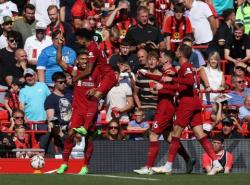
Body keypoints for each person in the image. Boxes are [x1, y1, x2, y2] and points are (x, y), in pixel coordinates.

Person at [151, 44, 223, 175]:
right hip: (195, 102)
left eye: (177, 50)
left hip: (187, 103)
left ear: (180, 53)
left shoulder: (186, 67)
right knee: (200, 134)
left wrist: (171, 78)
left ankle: (168, 166)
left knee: (175, 134)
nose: (175, 52)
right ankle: (216, 163)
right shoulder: (186, 67)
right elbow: (182, 83)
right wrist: (150, 75)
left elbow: (189, 82)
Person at [56, 37, 111, 175]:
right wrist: (60, 46)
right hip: (77, 111)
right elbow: (59, 61)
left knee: (89, 138)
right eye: (82, 59)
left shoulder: (96, 72)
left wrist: (97, 88)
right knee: (70, 134)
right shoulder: (75, 72)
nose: (85, 61)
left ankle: (85, 166)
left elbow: (105, 84)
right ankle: (64, 163)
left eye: (87, 59)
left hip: (91, 111)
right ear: (77, 61)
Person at [134, 49, 194, 175]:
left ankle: (148, 167)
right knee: (169, 137)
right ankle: (188, 158)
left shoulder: (171, 71)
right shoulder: (166, 72)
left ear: (166, 59)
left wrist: (160, 87)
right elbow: (162, 81)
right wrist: (149, 77)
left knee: (153, 135)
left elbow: (172, 90)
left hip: (165, 107)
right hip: (164, 105)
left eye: (160, 57)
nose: (159, 59)